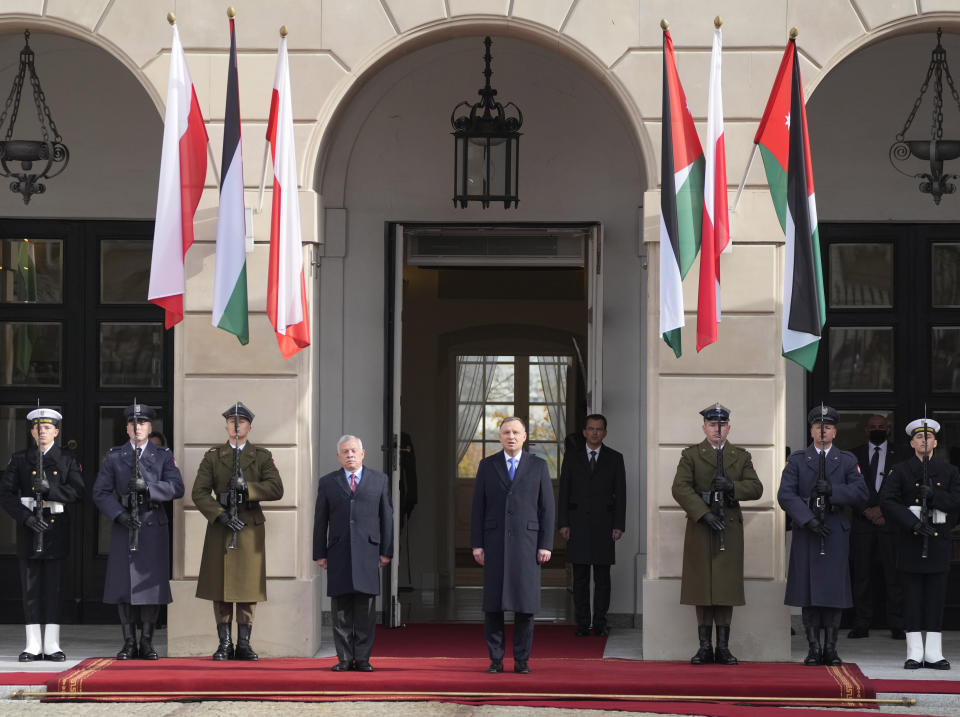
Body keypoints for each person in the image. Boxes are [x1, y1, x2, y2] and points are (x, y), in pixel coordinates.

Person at [671, 403, 763, 665]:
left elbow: (756, 488)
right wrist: (703, 513)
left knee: (725, 588)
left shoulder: (740, 456)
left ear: (728, 428)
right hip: (702, 527)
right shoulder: (691, 455)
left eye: (722, 425)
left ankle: (723, 647)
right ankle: (704, 647)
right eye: (712, 425)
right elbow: (680, 488)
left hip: (728, 526)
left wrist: (732, 486)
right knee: (702, 588)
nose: (717, 430)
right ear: (704, 427)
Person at [193, 402, 284, 661]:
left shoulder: (262, 456)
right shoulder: (213, 457)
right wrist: (219, 515)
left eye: (241, 421)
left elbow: (276, 489)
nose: (236, 425)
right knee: (220, 588)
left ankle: (244, 643)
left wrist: (249, 488)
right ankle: (225, 644)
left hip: (249, 528)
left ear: (249, 426)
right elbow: (199, 492)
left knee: (247, 588)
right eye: (232, 421)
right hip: (222, 527)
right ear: (226, 426)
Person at [93, 403, 184, 660]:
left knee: (151, 588)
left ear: (150, 427)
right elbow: (100, 492)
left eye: (142, 423)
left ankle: (147, 642)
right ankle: (129, 642)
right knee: (124, 586)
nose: (137, 428)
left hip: (152, 524)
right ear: (127, 428)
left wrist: (150, 488)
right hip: (125, 524)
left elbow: (177, 488)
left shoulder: (163, 455)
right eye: (133, 424)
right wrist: (118, 514)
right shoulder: (115, 456)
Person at [778, 405, 867, 667]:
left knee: (832, 592)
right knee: (809, 592)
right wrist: (807, 518)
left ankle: (831, 647)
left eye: (827, 427)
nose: (822, 431)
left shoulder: (847, 460)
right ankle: (813, 647)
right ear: (811, 430)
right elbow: (786, 494)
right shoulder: (797, 460)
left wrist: (834, 491)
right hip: (809, 532)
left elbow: (861, 494)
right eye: (818, 426)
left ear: (835, 432)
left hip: (835, 531)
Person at [471, 417, 555, 674]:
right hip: (494, 543)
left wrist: (546, 544)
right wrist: (477, 545)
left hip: (527, 545)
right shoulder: (487, 465)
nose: (511, 436)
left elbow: (547, 509)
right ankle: (495, 659)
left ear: (524, 436)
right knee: (493, 605)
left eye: (516, 432)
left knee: (525, 604)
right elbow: (478, 507)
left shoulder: (538, 466)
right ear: (500, 437)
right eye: (506, 432)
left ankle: (521, 660)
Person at [0, 408, 83, 662]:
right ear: (32, 432)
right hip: (29, 528)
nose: (42, 431)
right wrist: (25, 517)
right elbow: (6, 493)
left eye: (47, 428)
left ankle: (52, 644)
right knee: (31, 588)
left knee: (54, 588)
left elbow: (78, 492)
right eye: (38, 428)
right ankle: (33, 645)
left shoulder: (67, 460)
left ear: (56, 432)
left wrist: (52, 490)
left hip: (55, 528)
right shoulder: (19, 459)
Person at [880, 418, 960, 670]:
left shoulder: (949, 471)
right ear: (912, 442)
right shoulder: (900, 470)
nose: (923, 441)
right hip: (911, 541)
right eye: (918, 437)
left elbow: (957, 501)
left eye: (928, 437)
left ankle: (934, 653)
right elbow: (888, 501)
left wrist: (935, 496)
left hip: (937, 541)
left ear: (935, 441)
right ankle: (915, 652)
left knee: (936, 598)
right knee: (912, 598)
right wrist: (911, 523)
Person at [313, 435, 393, 672]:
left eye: (353, 451)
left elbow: (386, 518)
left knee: (365, 609)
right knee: (341, 610)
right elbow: (320, 520)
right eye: (345, 452)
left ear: (363, 453)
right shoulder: (328, 482)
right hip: (338, 551)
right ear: (338, 456)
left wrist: (386, 551)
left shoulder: (379, 480)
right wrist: (319, 553)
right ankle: (344, 659)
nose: (350, 455)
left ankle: (364, 658)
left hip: (369, 552)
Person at [558, 413, 626, 637]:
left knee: (603, 578)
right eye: (591, 429)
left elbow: (621, 494)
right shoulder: (572, 457)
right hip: (577, 525)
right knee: (580, 578)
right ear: (585, 432)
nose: (595, 432)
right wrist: (563, 523)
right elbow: (564, 492)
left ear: (605, 433)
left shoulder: (615, 458)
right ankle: (582, 622)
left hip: (604, 526)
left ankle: (599, 622)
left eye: (599, 429)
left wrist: (619, 524)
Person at [848, 414, 904, 639]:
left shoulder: (900, 454)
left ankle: (897, 624)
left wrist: (883, 509)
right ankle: (862, 623)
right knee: (862, 576)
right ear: (866, 430)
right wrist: (866, 510)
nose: (877, 430)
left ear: (888, 429)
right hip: (862, 525)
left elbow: (903, 487)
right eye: (873, 427)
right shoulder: (854, 455)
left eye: (882, 427)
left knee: (894, 576)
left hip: (890, 524)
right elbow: (849, 485)